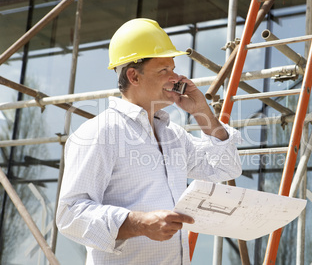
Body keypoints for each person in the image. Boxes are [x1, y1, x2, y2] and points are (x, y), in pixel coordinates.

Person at [56, 18, 242, 265]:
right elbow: (70, 215)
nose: (175, 78)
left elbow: (223, 168)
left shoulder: (172, 134)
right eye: (163, 70)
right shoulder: (100, 132)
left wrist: (202, 113)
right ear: (133, 76)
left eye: (173, 68)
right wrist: (138, 224)